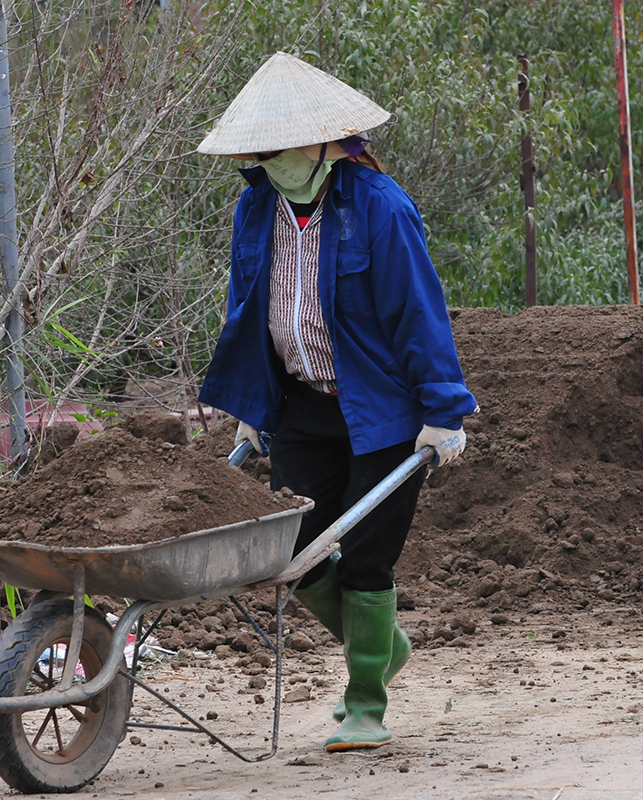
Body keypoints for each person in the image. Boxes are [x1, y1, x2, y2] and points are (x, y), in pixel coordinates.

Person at [197, 52, 477, 752]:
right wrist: (251, 403)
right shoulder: (257, 204)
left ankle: (365, 702)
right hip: (300, 404)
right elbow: (245, 306)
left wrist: (443, 411)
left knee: (366, 560)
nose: (272, 162)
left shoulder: (379, 208)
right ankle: (376, 645)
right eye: (262, 153)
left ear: (328, 142)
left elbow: (419, 312)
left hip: (380, 409)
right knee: (291, 548)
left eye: (282, 150)